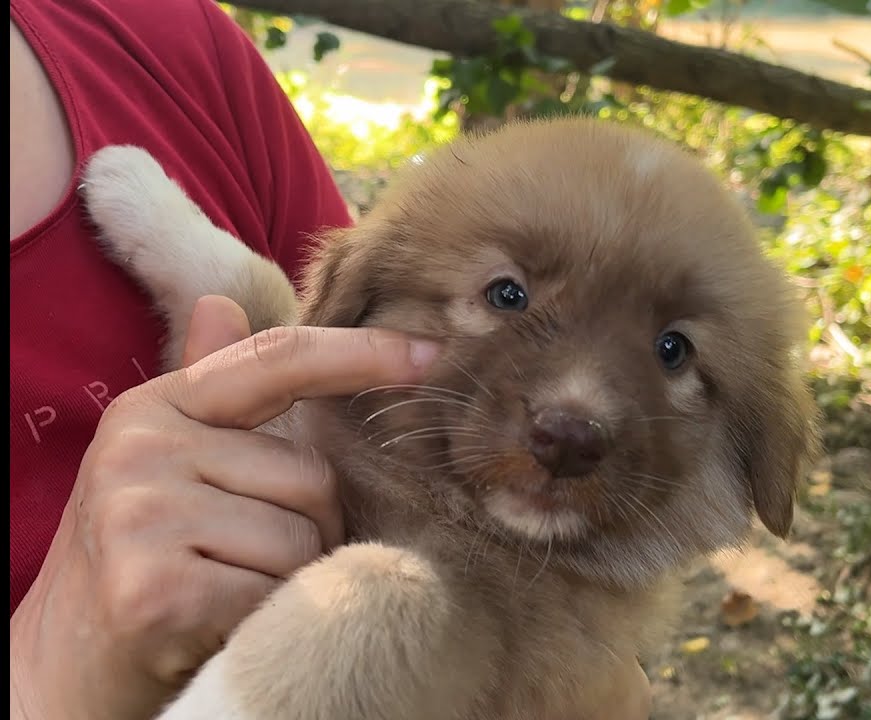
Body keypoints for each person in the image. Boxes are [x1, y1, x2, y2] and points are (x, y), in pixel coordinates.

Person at [8, 1, 651, 717]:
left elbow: (318, 361)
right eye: (506, 294)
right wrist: (36, 685)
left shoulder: (169, 42)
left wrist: (235, 295)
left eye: (668, 351)